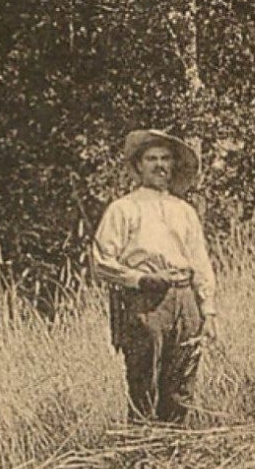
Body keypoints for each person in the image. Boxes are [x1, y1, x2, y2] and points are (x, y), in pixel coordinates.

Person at [92, 129, 219, 425]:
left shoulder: (184, 211)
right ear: (138, 166)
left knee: (181, 383)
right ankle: (141, 456)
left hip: (185, 299)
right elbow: (101, 261)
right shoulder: (123, 209)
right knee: (143, 381)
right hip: (145, 303)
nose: (159, 165)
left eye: (165, 158)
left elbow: (200, 261)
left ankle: (175, 454)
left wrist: (208, 310)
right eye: (151, 159)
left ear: (174, 165)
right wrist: (139, 279)